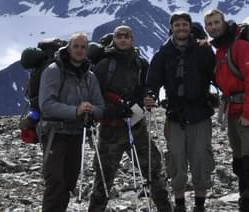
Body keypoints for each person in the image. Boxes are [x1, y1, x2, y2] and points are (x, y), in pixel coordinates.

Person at [88, 25, 172, 212]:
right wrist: (115, 110)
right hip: (112, 129)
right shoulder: (103, 65)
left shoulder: (141, 64)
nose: (123, 39)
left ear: (132, 39)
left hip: (135, 126)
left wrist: (148, 98)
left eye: (127, 36)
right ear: (114, 39)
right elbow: (95, 95)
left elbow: (149, 87)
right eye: (119, 36)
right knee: (103, 178)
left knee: (153, 170)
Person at [144, 12, 216, 212]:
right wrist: (150, 94)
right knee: (176, 158)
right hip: (175, 115)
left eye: (185, 25)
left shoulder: (203, 51)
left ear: (190, 27)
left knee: (201, 158)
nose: (181, 28)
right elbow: (152, 81)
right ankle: (180, 205)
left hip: (200, 113)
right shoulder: (163, 53)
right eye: (178, 25)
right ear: (172, 28)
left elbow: (217, 75)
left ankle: (200, 205)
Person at [203, 9, 249, 212]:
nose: (213, 27)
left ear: (224, 22)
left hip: (246, 113)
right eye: (209, 24)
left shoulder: (240, 46)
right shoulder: (222, 49)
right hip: (233, 111)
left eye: (216, 22)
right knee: (240, 163)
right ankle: (247, 205)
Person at [38, 32, 105, 212]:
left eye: (83, 47)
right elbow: (46, 104)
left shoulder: (90, 77)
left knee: (68, 181)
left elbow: (100, 106)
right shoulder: (53, 71)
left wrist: (91, 110)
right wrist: (75, 111)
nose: (79, 50)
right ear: (68, 48)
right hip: (55, 133)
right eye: (76, 46)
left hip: (76, 134)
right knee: (55, 181)